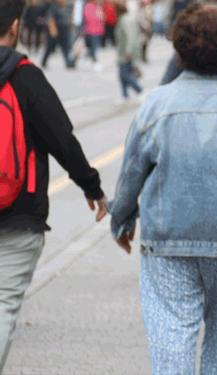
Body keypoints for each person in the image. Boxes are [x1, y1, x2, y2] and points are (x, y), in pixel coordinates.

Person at [107, 4, 217, 373]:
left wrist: (121, 220)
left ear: (180, 51)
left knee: (171, 329)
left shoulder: (157, 103)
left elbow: (132, 170)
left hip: (168, 239)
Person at [0, 0, 107, 370]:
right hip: (18, 215)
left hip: (18, 217)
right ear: (15, 26)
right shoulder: (26, 77)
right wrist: (92, 187)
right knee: (2, 306)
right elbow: (62, 140)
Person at [113, 0, 144, 103]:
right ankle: (125, 95)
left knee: (125, 74)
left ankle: (140, 90)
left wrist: (128, 51)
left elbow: (130, 37)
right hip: (126, 52)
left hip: (126, 53)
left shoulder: (124, 20)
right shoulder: (128, 18)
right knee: (122, 74)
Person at [41, 0, 76, 69]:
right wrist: (52, 29)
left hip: (65, 30)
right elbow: (50, 18)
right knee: (50, 47)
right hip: (57, 30)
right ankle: (44, 62)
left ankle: (68, 63)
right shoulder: (53, 7)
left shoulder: (68, 6)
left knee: (66, 48)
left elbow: (70, 17)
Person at [83, 0, 105, 71]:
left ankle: (89, 58)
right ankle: (95, 61)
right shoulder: (88, 6)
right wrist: (98, 17)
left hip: (98, 31)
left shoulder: (98, 7)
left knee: (94, 47)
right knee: (93, 47)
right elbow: (88, 17)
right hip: (91, 31)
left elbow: (102, 16)